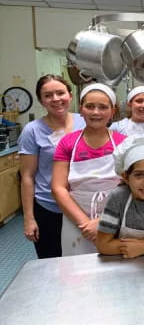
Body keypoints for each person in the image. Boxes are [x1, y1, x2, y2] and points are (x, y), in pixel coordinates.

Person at [52, 83, 126, 256]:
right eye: (90, 106)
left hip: (117, 216)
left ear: (112, 111)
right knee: (77, 275)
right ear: (81, 109)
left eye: (103, 107)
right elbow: (58, 188)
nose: (96, 112)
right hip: (76, 220)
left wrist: (103, 221)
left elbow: (130, 186)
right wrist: (86, 224)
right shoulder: (67, 143)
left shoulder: (124, 143)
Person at [18, 74, 85, 258]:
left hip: (83, 205)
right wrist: (29, 218)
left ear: (70, 95)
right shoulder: (32, 131)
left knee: (85, 261)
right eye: (48, 95)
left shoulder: (85, 122)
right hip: (49, 208)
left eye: (60, 93)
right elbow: (27, 177)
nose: (56, 99)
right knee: (52, 261)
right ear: (41, 100)